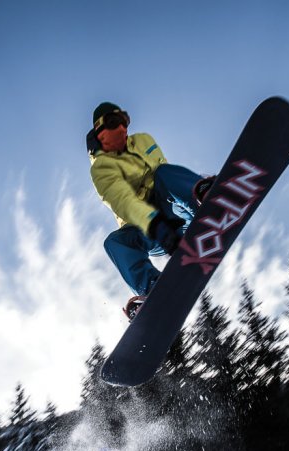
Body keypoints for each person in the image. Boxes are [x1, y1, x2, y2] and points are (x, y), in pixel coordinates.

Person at [87, 102, 213, 320]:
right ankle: (152, 288)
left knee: (163, 173)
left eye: (125, 121)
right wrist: (157, 226)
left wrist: (192, 190)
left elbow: (167, 177)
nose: (122, 128)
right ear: (100, 132)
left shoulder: (144, 140)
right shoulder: (101, 169)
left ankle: (205, 199)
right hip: (149, 230)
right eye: (114, 123)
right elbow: (123, 201)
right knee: (114, 243)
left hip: (175, 213)